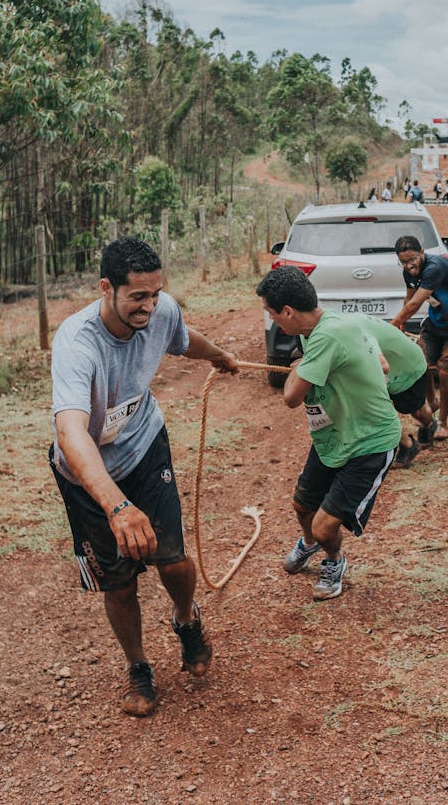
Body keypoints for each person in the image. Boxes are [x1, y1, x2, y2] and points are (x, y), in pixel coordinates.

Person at [49, 237, 239, 717]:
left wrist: (217, 355)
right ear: (106, 288)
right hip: (87, 475)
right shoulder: (77, 343)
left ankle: (185, 618)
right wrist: (116, 506)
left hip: (144, 446)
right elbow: (71, 433)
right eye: (138, 296)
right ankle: (138, 666)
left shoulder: (161, 310)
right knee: (120, 582)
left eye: (156, 294)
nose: (150, 307)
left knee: (172, 560)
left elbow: (181, 336)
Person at [256, 266, 400, 601]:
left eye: (272, 314)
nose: (274, 321)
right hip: (333, 437)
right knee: (302, 506)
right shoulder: (320, 327)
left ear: (289, 311)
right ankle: (309, 544)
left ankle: (334, 559)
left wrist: (299, 370)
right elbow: (380, 363)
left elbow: (291, 396)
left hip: (369, 443)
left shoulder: (326, 335)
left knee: (324, 526)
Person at [390, 236, 448, 441]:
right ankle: (432, 401)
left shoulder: (434, 267)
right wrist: (401, 325)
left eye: (412, 259)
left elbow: (414, 305)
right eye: (403, 262)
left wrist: (393, 326)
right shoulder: (408, 272)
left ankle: (443, 423)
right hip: (436, 320)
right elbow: (408, 298)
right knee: (421, 362)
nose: (409, 265)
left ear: (422, 252)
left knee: (445, 372)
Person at [360, 315, 437, 467]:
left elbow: (382, 365)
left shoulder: (358, 333)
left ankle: (429, 424)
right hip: (391, 371)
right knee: (374, 411)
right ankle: (408, 444)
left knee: (417, 411)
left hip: (407, 368)